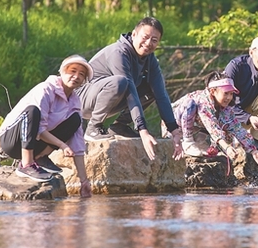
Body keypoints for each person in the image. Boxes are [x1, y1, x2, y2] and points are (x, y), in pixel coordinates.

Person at [77, 17, 183, 161]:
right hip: (83, 101)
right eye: (145, 37)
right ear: (134, 34)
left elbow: (161, 95)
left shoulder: (150, 59)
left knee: (151, 87)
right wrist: (143, 130)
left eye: (154, 40)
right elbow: (130, 91)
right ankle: (93, 128)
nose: (148, 43)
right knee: (122, 82)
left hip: (110, 97)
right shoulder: (119, 52)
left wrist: (175, 131)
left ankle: (120, 125)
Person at [0, 55, 93, 197]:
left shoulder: (74, 102)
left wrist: (84, 181)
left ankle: (40, 157)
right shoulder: (46, 89)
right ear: (61, 72)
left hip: (35, 142)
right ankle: (26, 164)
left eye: (81, 74)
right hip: (12, 139)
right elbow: (38, 128)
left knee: (75, 120)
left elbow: (78, 144)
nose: (76, 76)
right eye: (72, 71)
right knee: (32, 111)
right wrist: (62, 145)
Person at [168, 71, 258, 167]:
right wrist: (227, 147)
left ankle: (199, 142)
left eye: (231, 94)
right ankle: (188, 142)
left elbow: (237, 129)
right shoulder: (203, 101)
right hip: (175, 127)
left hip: (197, 129)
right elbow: (212, 127)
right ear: (212, 91)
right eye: (225, 93)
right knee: (190, 104)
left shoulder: (225, 107)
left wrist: (253, 150)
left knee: (225, 130)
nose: (229, 97)